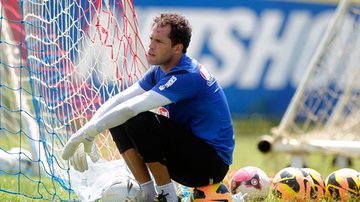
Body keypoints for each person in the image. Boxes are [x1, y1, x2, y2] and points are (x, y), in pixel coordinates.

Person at [62, 12, 234, 202]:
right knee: (117, 119)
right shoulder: (160, 70)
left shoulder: (187, 75)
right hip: (190, 157)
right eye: (151, 38)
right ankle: (149, 195)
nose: (151, 46)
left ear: (177, 48)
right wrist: (90, 127)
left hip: (210, 165)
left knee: (139, 120)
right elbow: (120, 100)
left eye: (159, 42)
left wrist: (89, 133)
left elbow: (131, 109)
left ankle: (168, 197)